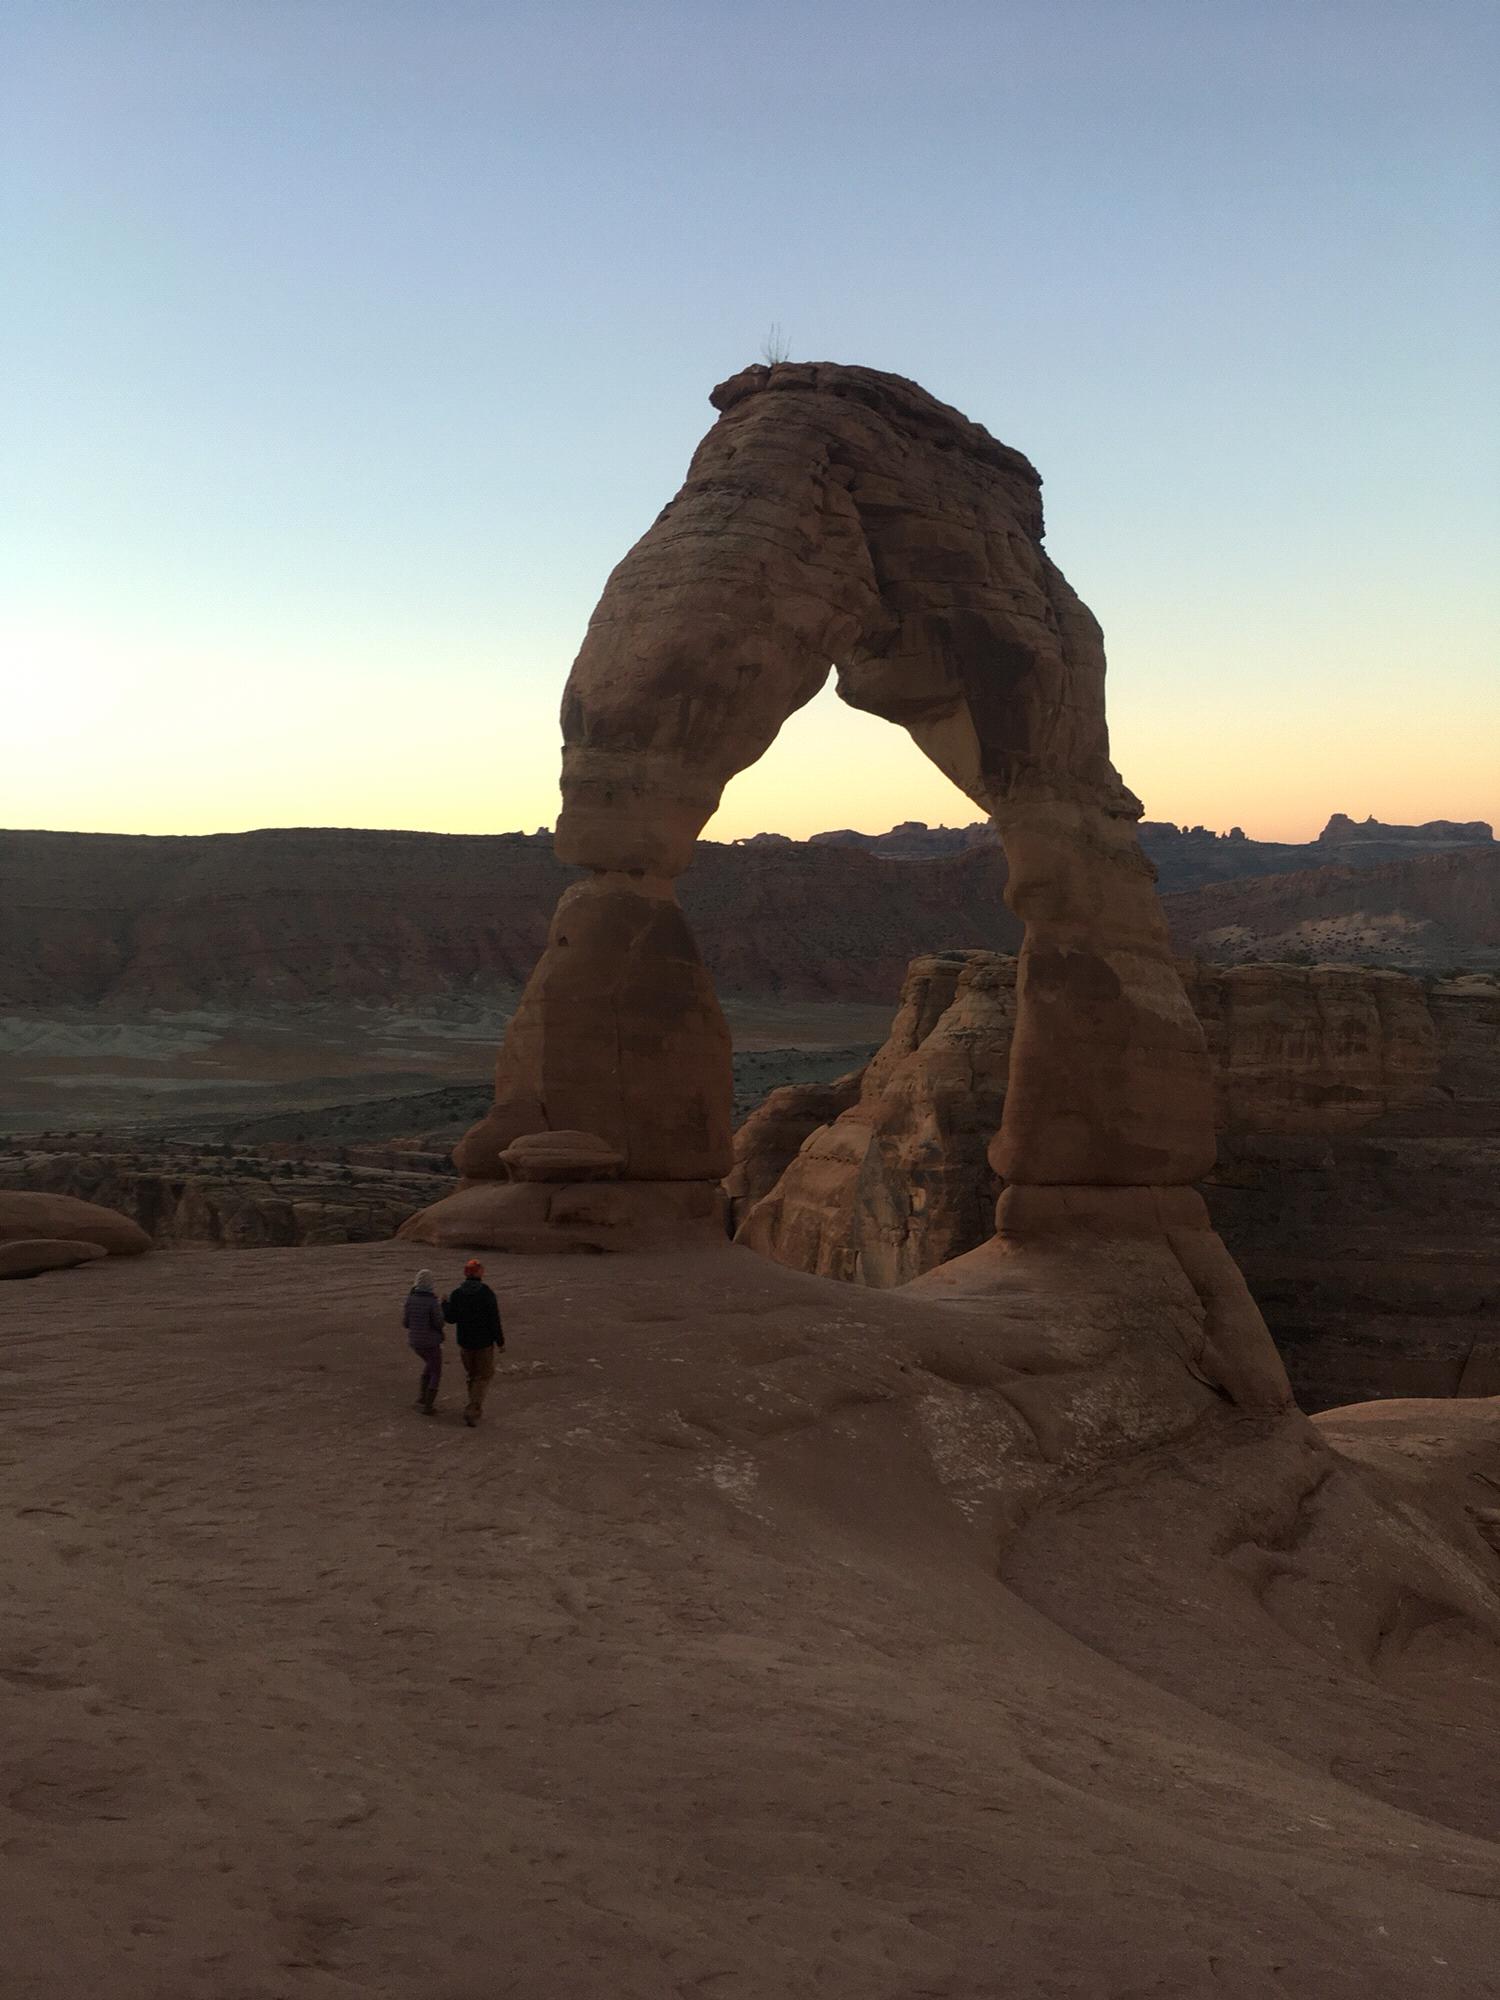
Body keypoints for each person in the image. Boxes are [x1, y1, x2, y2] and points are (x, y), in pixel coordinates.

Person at [443, 1258, 505, 1427]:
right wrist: (500, 1341)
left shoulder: (457, 1294)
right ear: (479, 1273)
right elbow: (494, 1320)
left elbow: (450, 1318)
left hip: (465, 1342)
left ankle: (473, 1404)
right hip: (483, 1342)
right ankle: (472, 1409)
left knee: (472, 1375)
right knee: (483, 1375)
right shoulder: (486, 1293)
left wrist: (444, 1305)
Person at [403, 1269, 445, 1414]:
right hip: (430, 1343)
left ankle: (422, 1398)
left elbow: (406, 1323)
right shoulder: (432, 1301)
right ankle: (428, 1405)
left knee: (429, 1366)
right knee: (435, 1371)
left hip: (415, 1342)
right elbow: (439, 1323)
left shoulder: (410, 1299)